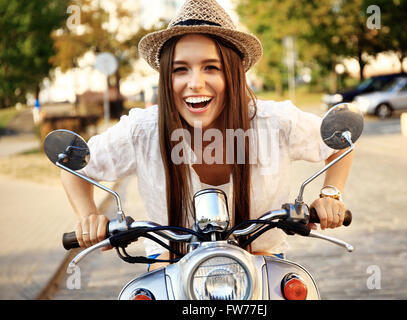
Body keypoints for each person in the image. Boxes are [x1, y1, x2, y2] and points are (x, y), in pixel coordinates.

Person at [61, 0, 353, 265]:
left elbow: (340, 140)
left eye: (211, 68)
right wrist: (88, 217)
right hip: (171, 268)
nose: (195, 83)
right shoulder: (143, 129)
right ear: (166, 78)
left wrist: (331, 194)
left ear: (233, 74)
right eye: (180, 70)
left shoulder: (274, 121)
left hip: (262, 266)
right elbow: (74, 166)